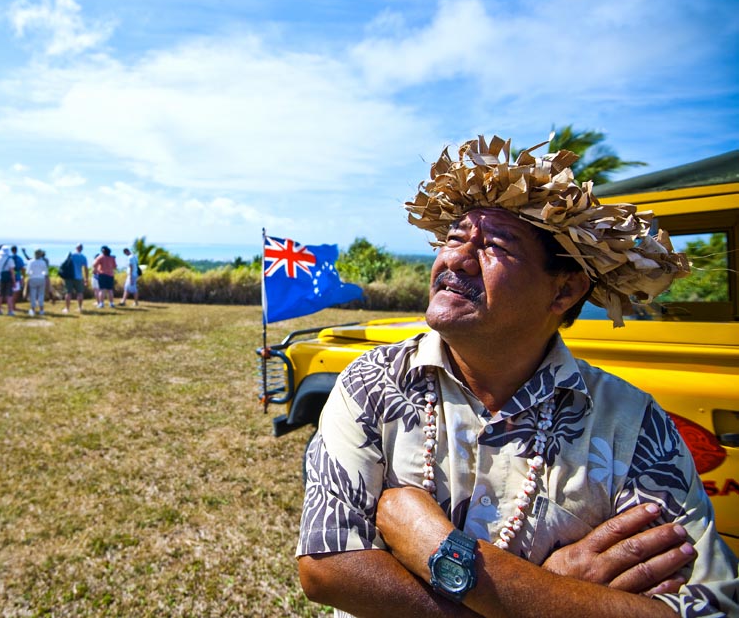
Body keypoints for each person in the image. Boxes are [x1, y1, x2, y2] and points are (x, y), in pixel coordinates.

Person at [296, 135, 737, 617]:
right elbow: (328, 568)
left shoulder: (630, 423)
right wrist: (556, 594)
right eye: (455, 237)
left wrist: (435, 545)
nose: (455, 259)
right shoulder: (374, 383)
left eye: (494, 246)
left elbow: (705, 608)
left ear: (564, 290)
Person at [62, 244, 89, 313]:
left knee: (68, 293)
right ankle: (80, 308)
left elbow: (64, 264)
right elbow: (86, 269)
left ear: (76, 248)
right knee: (80, 293)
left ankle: (67, 309)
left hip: (69, 277)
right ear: (82, 249)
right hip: (79, 277)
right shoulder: (83, 257)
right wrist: (86, 278)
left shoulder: (70, 255)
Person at [0, 247, 17, 316]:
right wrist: (14, 282)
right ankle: (10, 311)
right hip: (8, 278)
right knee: (9, 295)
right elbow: (12, 271)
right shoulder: (10, 259)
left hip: (0, 278)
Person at [26, 248, 49, 316]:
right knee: (41, 294)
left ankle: (33, 310)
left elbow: (28, 272)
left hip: (33, 278)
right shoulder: (43, 262)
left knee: (33, 295)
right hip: (41, 279)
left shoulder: (31, 262)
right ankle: (41, 310)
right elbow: (46, 272)